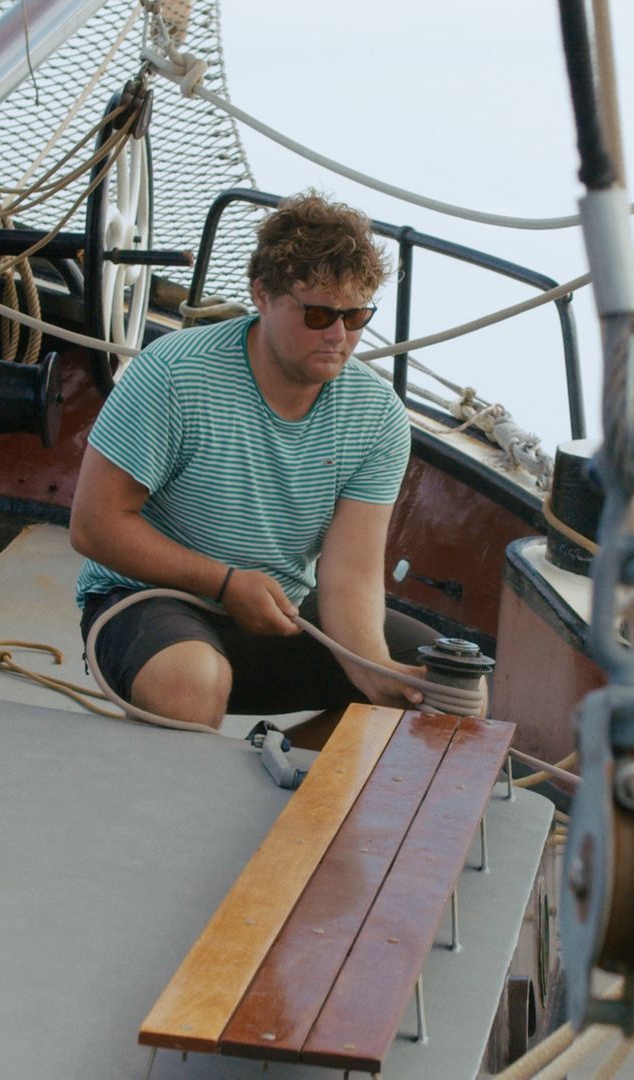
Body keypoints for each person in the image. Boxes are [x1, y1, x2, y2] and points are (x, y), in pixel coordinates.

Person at [68, 191, 440, 728]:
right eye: (317, 315)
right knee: (188, 679)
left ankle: (291, 780)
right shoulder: (175, 373)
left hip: (280, 615)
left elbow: (350, 573)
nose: (339, 336)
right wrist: (223, 583)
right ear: (261, 295)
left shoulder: (377, 416)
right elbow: (94, 525)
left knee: (440, 684)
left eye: (356, 315)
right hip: (147, 601)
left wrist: (376, 668)